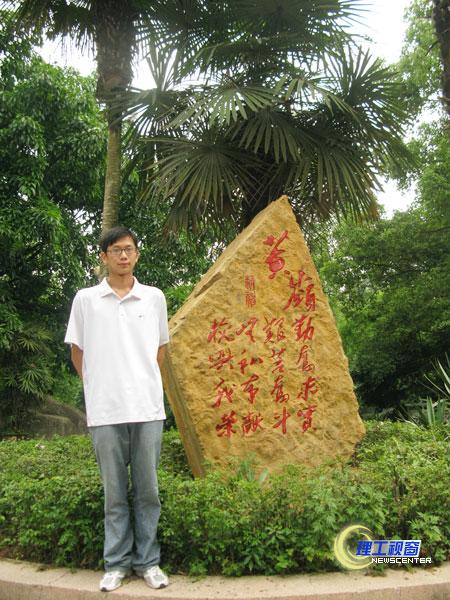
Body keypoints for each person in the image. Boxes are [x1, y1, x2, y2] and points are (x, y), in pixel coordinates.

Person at [64, 226, 170, 592]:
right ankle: (116, 563)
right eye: (115, 250)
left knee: (147, 490)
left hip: (147, 409)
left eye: (128, 249)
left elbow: (159, 350)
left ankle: (149, 562)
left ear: (137, 254)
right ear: (104, 256)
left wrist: (141, 382)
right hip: (106, 410)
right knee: (114, 493)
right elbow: (77, 352)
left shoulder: (154, 298)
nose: (123, 255)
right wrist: (99, 387)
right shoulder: (86, 300)